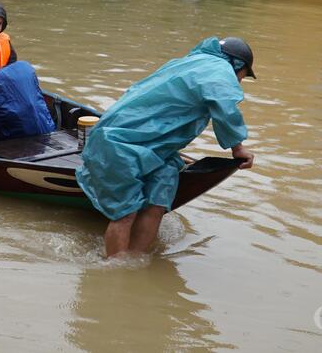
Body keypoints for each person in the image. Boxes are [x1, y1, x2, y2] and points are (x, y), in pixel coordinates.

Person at [75, 36, 257, 258]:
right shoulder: (220, 70)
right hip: (120, 142)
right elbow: (225, 107)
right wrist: (238, 149)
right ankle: (115, 268)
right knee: (126, 213)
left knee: (156, 204)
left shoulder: (191, 62)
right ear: (237, 65)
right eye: (243, 76)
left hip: (155, 148)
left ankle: (136, 261)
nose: (238, 82)